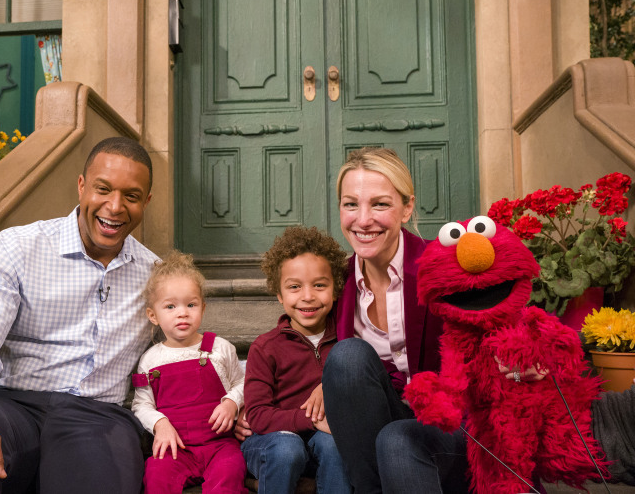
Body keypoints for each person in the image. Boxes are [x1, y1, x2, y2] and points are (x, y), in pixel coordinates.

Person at [0, 137, 158, 494]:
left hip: (99, 417)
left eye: (132, 196)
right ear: (81, 186)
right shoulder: (16, 247)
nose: (115, 206)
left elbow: (186, 349)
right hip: (14, 405)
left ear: (146, 202)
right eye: (103, 189)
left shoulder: (155, 275)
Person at [320, 147, 471, 494]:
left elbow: (503, 323)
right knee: (346, 359)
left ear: (407, 208)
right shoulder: (335, 282)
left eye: (380, 204)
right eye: (350, 204)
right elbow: (296, 338)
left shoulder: (444, 267)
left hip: (451, 426)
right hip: (380, 428)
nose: (362, 220)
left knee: (398, 440)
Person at [241, 226, 352, 494]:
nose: (307, 296)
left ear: (336, 289)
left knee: (335, 443)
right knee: (288, 448)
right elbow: (256, 415)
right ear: (279, 295)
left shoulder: (347, 339)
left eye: (319, 285)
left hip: (324, 444)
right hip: (272, 444)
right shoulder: (265, 347)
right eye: (294, 287)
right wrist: (310, 420)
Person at [131, 250, 248, 494]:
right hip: (177, 449)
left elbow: (243, 383)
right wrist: (159, 424)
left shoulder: (218, 348)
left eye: (191, 304)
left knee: (230, 473)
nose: (182, 312)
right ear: (153, 316)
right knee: (155, 474)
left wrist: (231, 403)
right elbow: (141, 405)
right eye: (170, 306)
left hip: (220, 445)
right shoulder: (151, 360)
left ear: (202, 308)